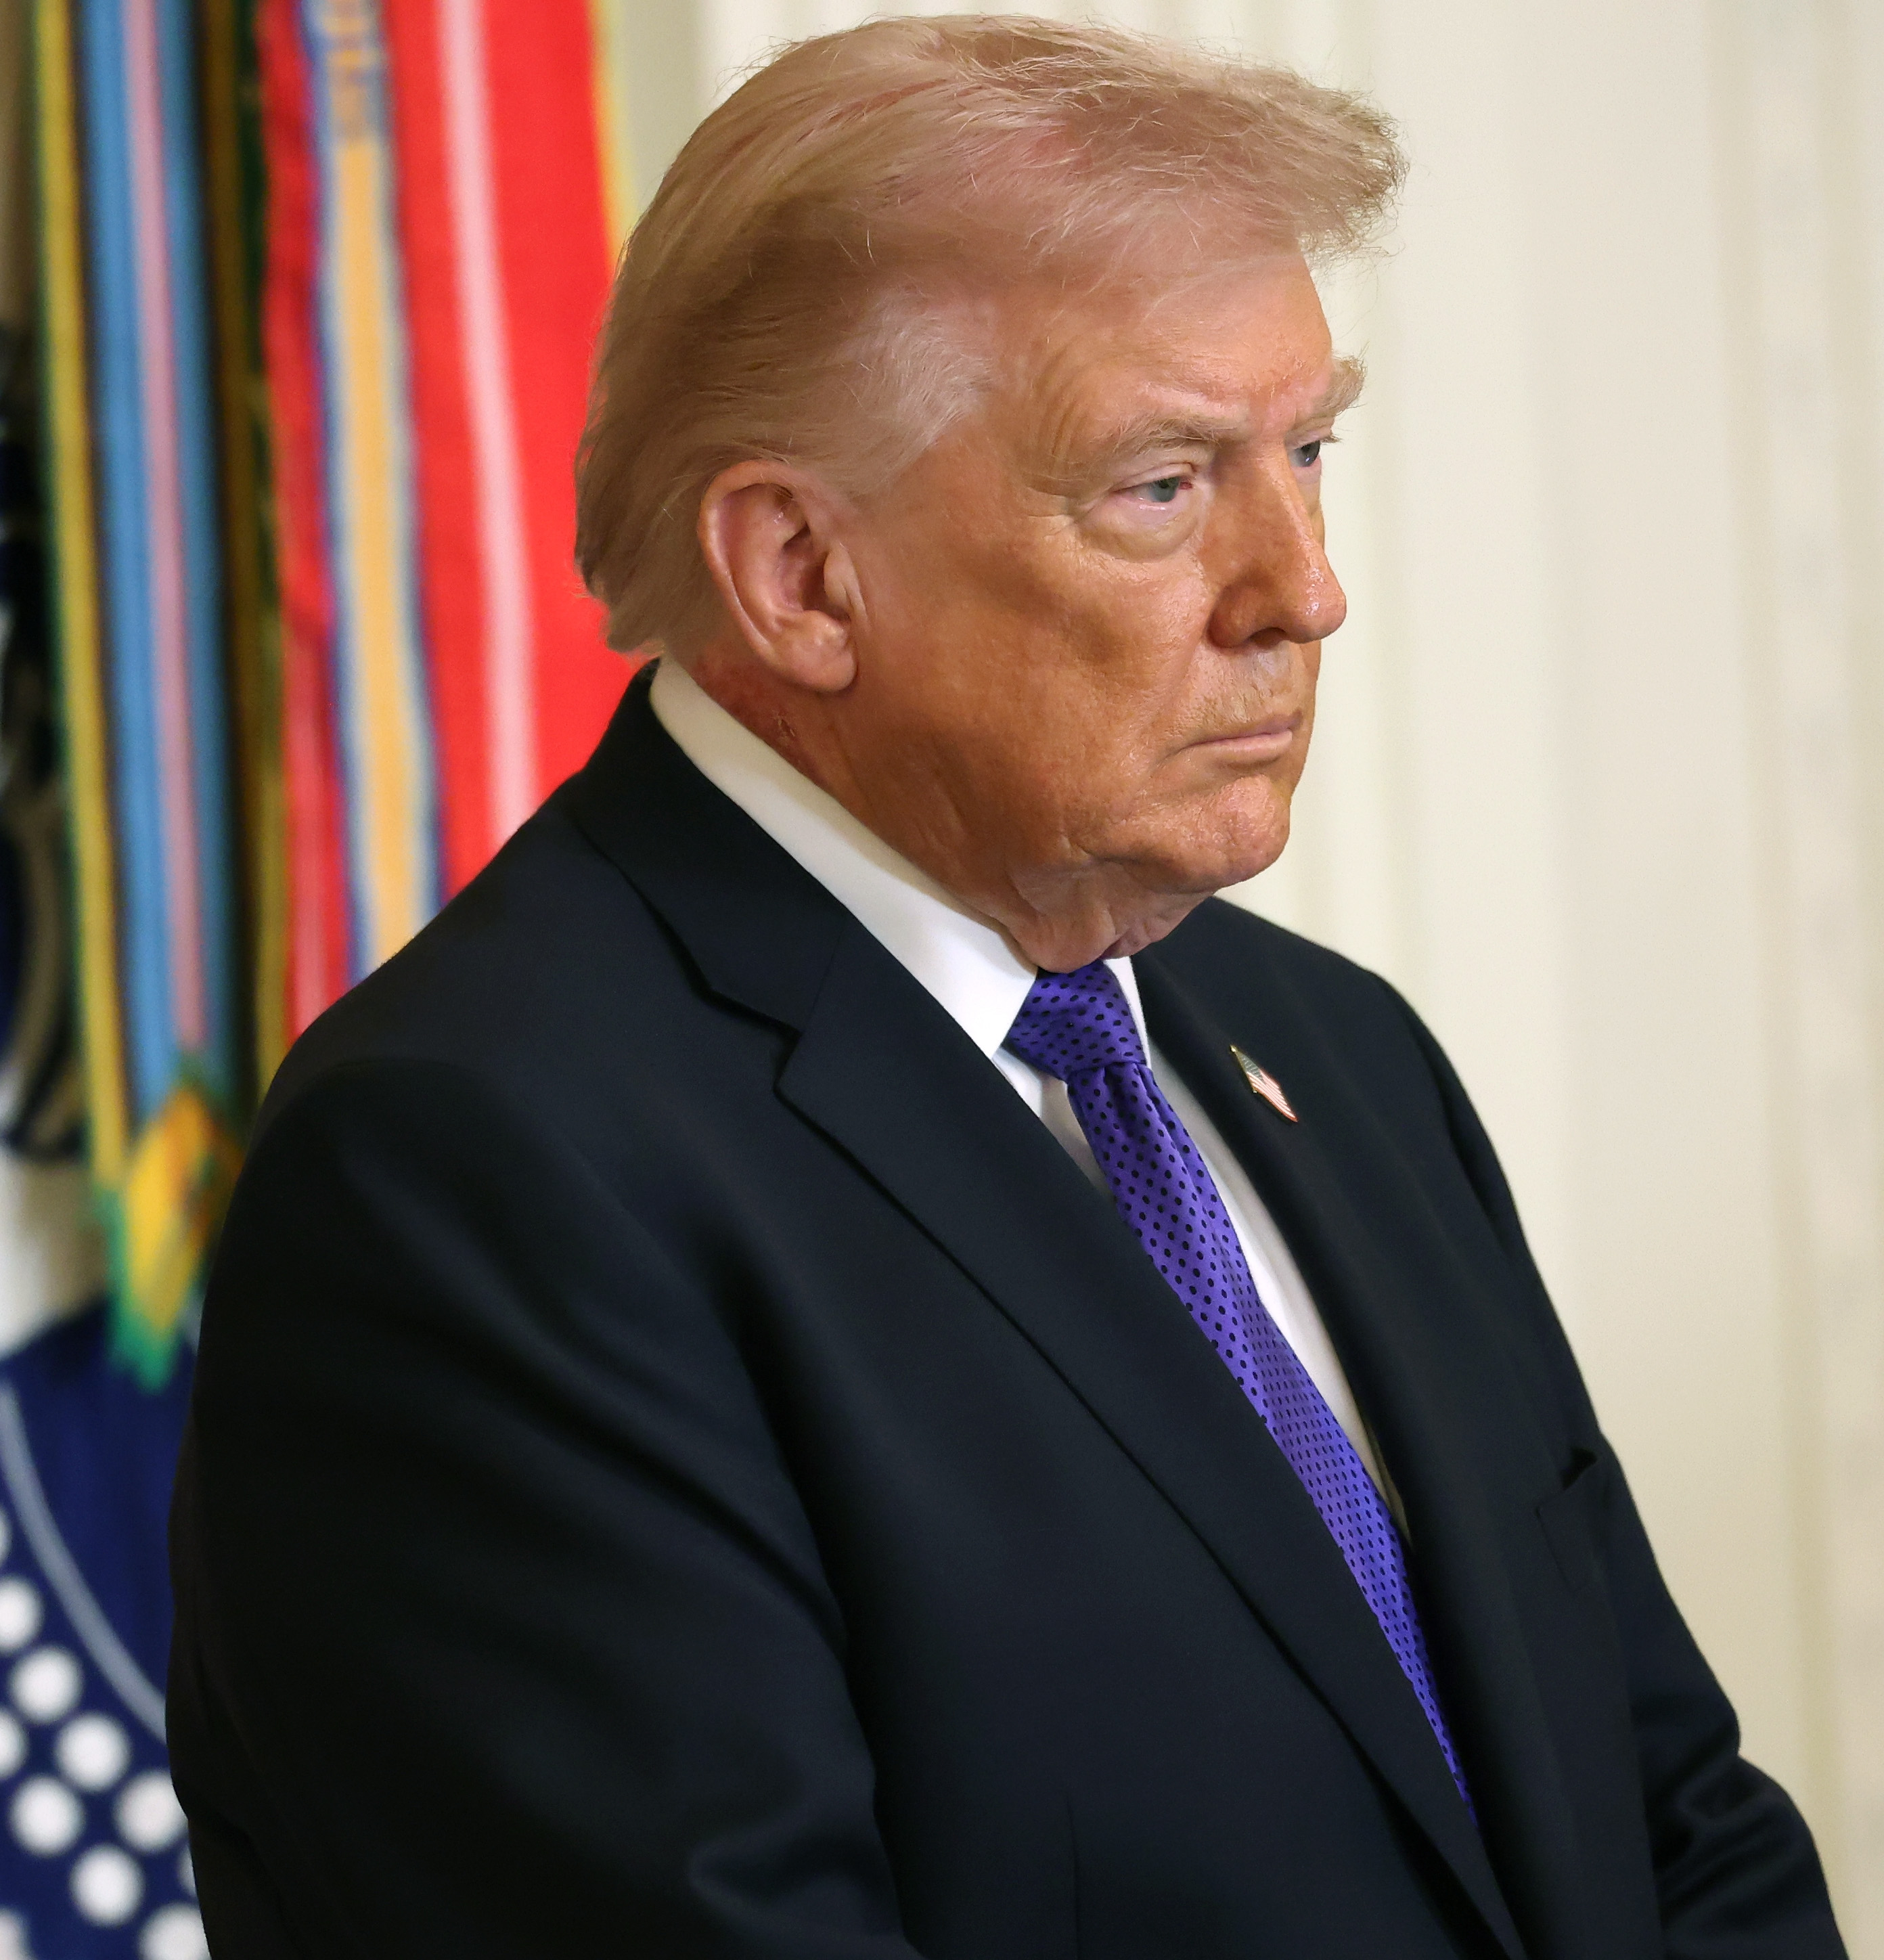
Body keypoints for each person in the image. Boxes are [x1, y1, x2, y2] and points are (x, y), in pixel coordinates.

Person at [164, 18, 1845, 1957]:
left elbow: (1674, 1830)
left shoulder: (1338, 1058)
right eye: (1162, 484)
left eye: (1308, 451)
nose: (1303, 586)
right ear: (799, 572)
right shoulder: (476, 1179)